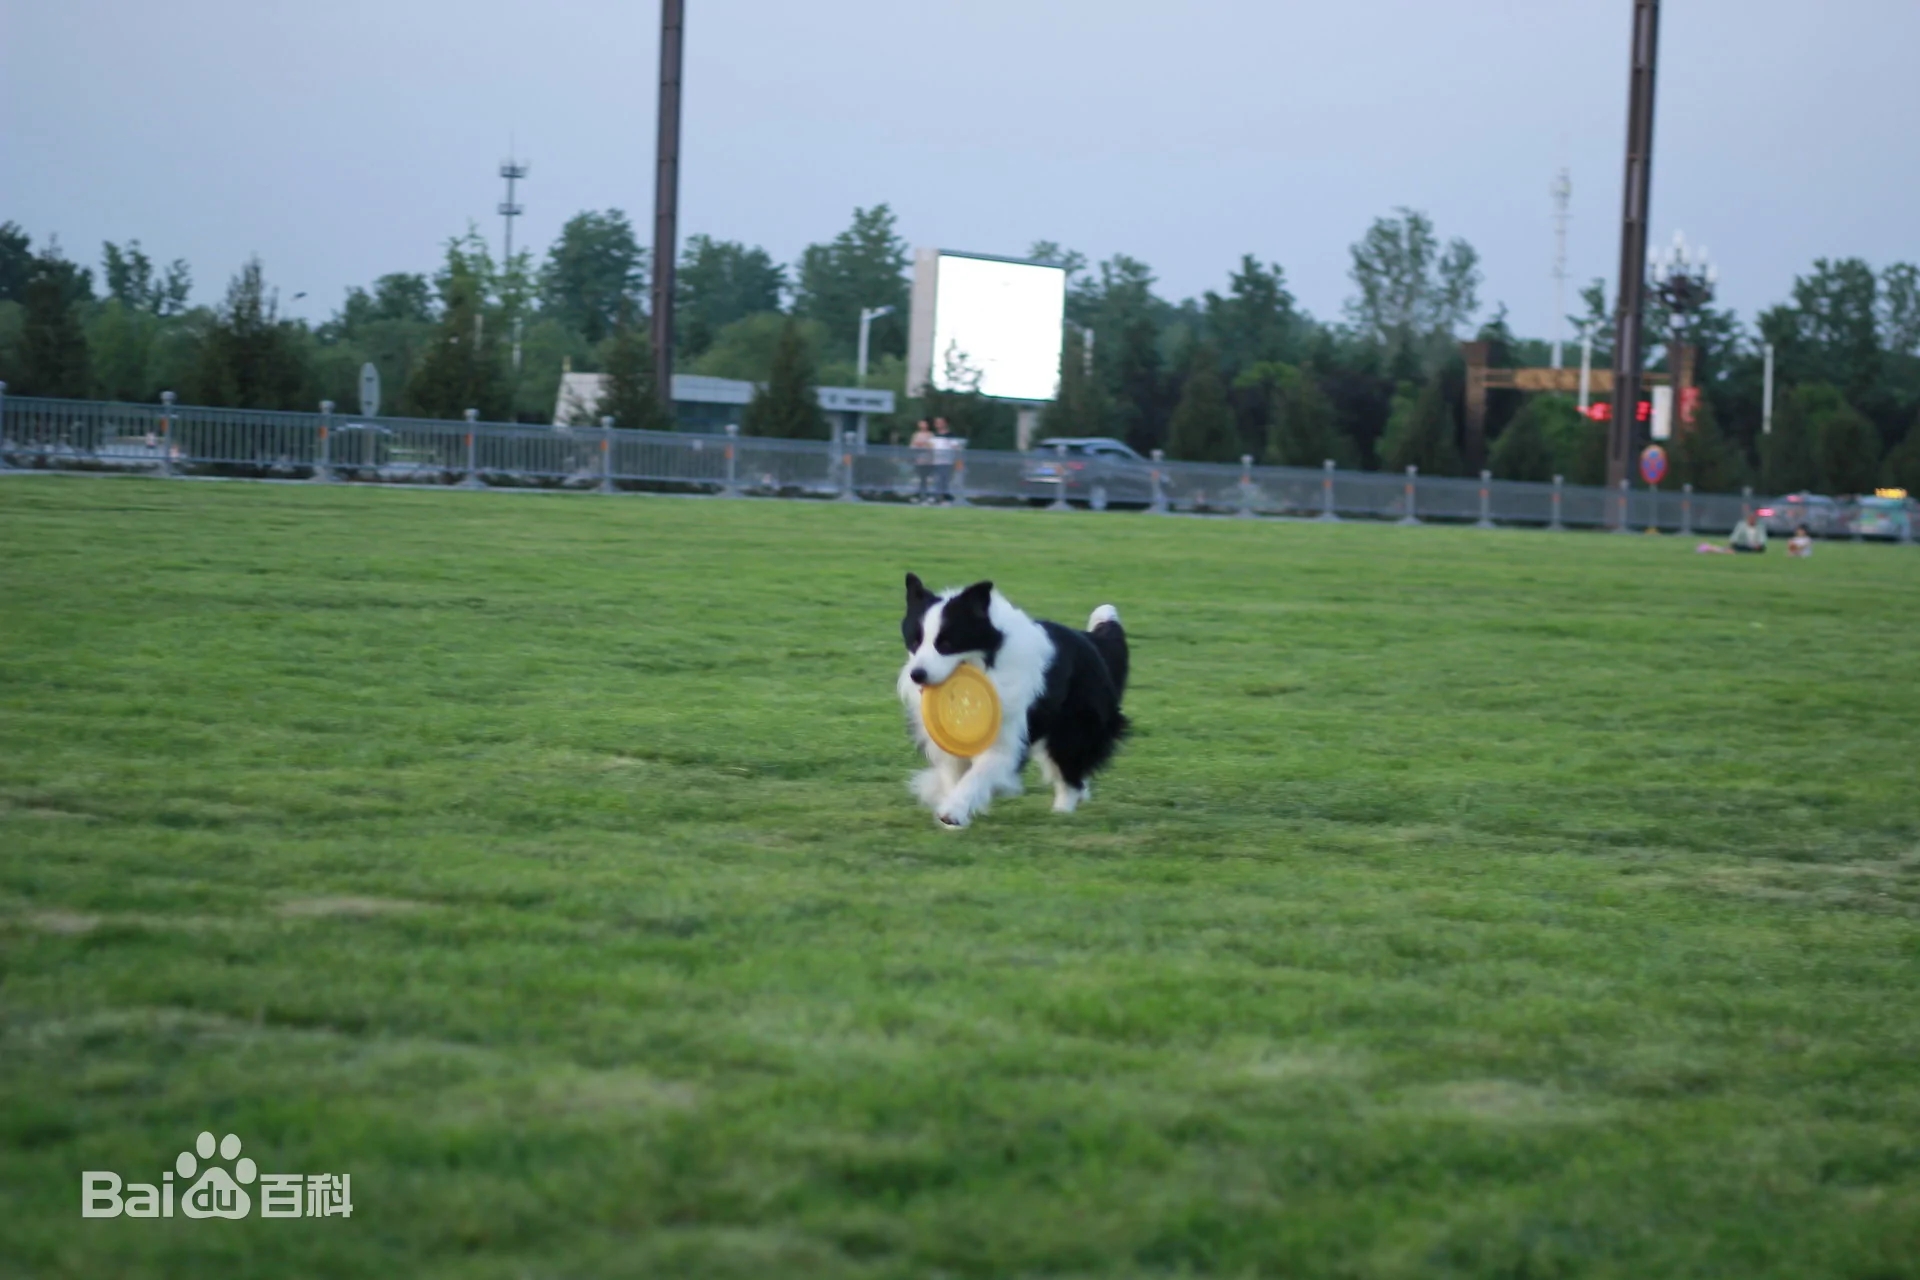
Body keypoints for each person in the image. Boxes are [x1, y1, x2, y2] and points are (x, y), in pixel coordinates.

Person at [930, 417, 961, 504]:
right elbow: (931, 447)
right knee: (937, 479)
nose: (938, 424)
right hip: (936, 461)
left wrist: (958, 459)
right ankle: (937, 496)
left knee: (945, 479)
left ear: (945, 424)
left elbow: (956, 447)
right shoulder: (934, 435)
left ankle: (945, 495)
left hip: (947, 461)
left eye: (940, 422)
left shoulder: (950, 435)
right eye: (937, 423)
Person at [909, 420, 936, 504]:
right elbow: (912, 446)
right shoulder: (916, 435)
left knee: (928, 479)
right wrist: (917, 445)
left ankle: (928, 496)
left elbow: (932, 446)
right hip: (919, 460)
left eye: (924, 424)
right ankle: (919, 495)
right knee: (920, 478)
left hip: (928, 460)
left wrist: (924, 444)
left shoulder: (931, 435)